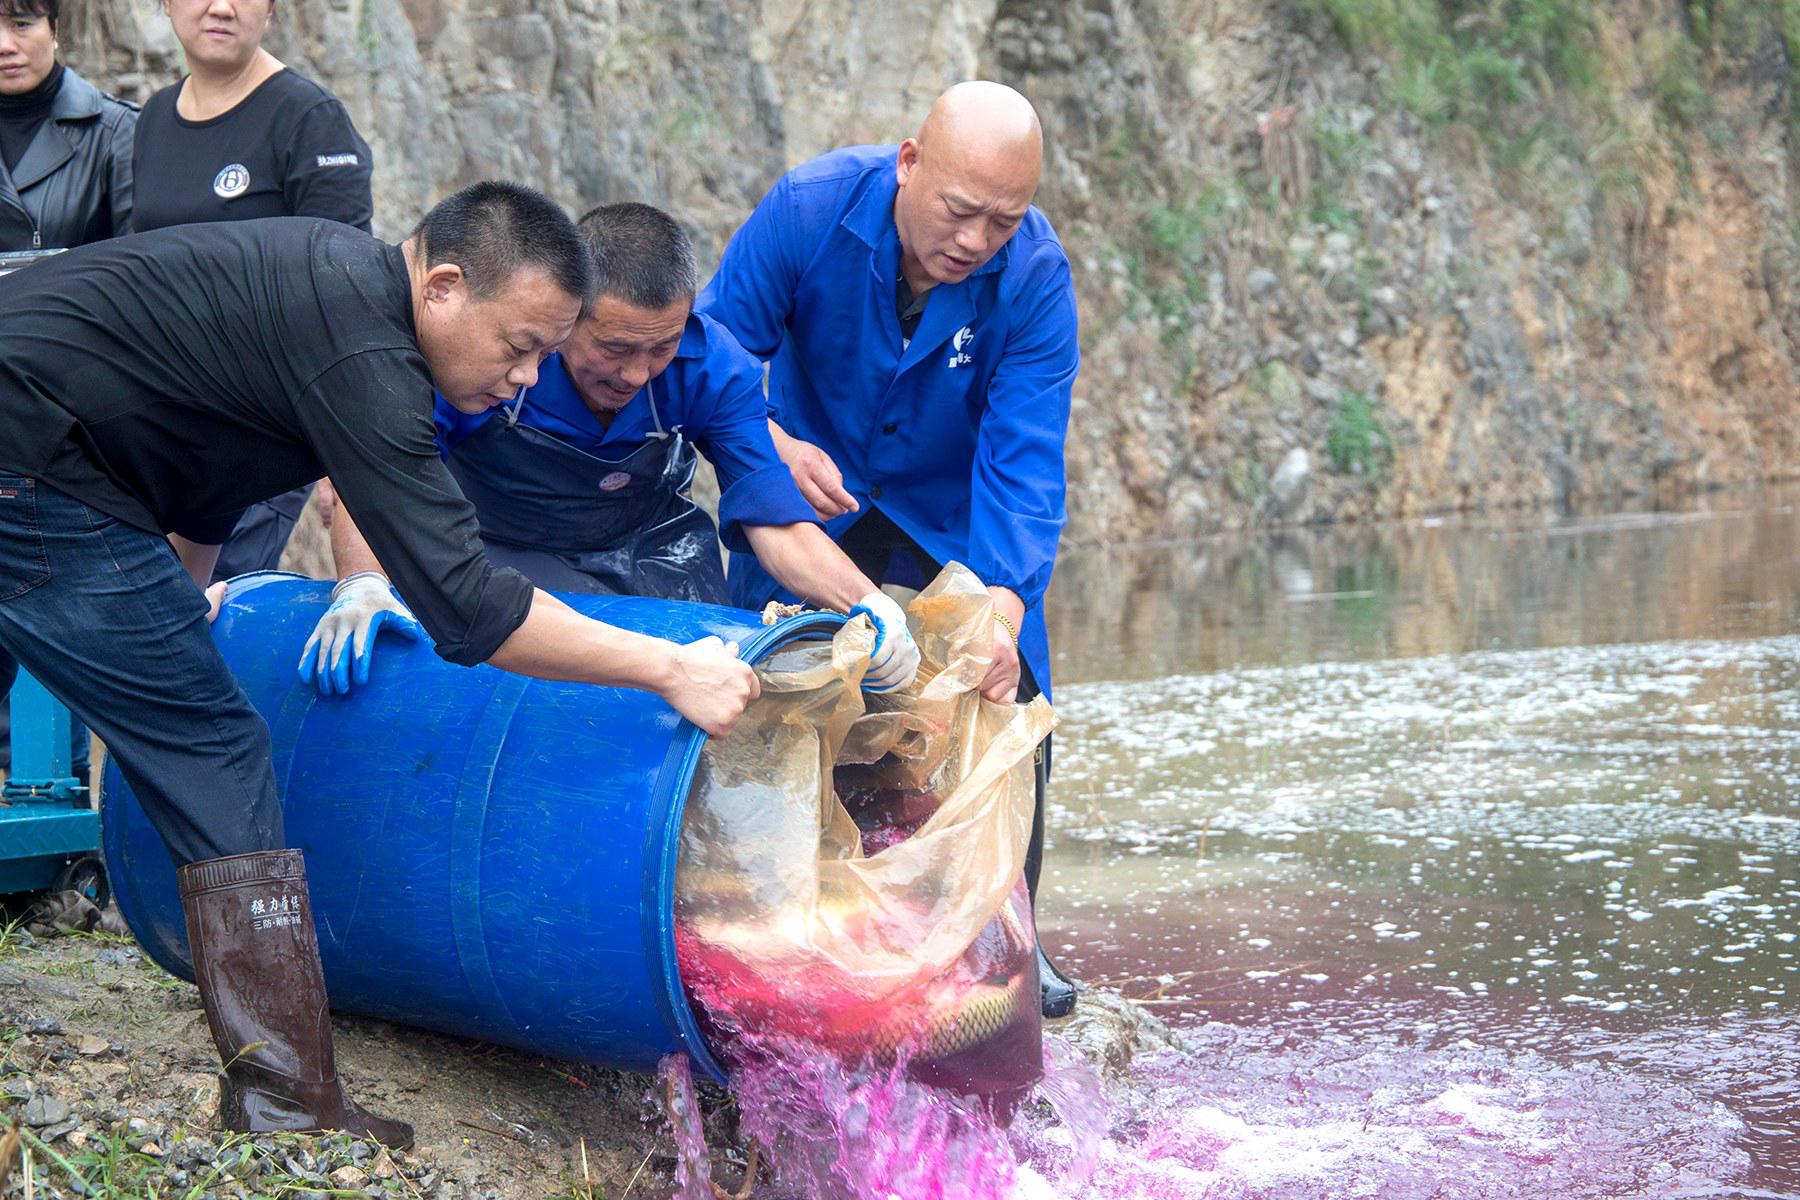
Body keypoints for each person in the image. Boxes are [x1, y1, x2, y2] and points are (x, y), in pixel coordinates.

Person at [0, 182, 760, 1147]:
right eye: (519, 346)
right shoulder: (366, 355)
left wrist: (183, 601)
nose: (529, 378)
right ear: (442, 287)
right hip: (29, 456)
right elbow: (470, 606)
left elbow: (197, 465)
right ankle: (286, 1102)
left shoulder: (326, 287)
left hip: (36, 431)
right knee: (219, 743)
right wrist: (668, 668)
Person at [698, 81, 1082, 1018]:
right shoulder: (810, 207)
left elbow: (1025, 455)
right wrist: (769, 446)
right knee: (779, 692)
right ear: (910, 161)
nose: (976, 240)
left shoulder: (1033, 277)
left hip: (945, 513)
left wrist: (1005, 600)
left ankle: (1007, 935)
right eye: (959, 211)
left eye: (1004, 219)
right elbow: (711, 344)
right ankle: (771, 920)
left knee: (1005, 688)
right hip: (807, 491)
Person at [299, 201, 920, 698]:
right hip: (499, 542)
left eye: (661, 347)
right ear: (567, 317)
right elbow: (377, 471)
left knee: (720, 666)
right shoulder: (499, 355)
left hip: (646, 542)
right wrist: (362, 582)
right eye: (615, 348)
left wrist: (865, 601)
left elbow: (776, 521)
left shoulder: (712, 367)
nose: (636, 374)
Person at [133, 0, 375, 581]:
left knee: (205, 600)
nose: (220, 7)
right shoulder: (155, 116)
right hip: (161, 416)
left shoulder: (307, 116)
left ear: (270, 8)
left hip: (263, 423)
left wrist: (340, 458)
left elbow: (344, 291)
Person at [1, 0, 136, 780]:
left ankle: (57, 833)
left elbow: (140, 280)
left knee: (60, 617)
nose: (5, 44)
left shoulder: (117, 134)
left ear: (57, 27)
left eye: (22, 21)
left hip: (69, 416)